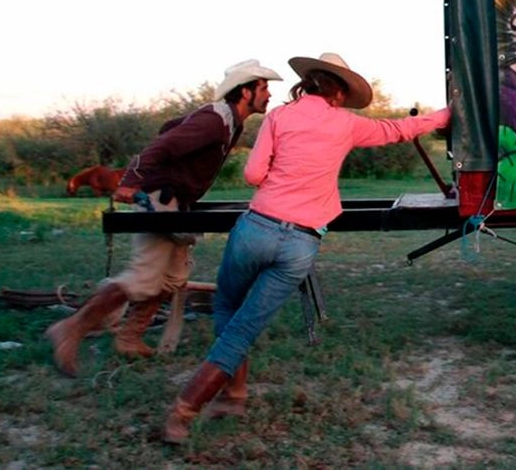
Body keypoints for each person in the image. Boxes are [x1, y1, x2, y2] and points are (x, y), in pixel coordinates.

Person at [161, 52, 450, 444]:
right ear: (339, 93)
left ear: (308, 82)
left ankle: (213, 402)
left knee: (228, 309)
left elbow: (252, 174)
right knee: (243, 329)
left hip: (256, 229)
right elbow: (398, 129)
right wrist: (449, 113)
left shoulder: (279, 117)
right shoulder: (346, 124)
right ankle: (207, 404)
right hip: (301, 243)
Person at [44, 59, 283, 377]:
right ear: (245, 91)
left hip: (177, 204)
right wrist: (131, 179)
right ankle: (71, 328)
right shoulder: (214, 120)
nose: (268, 95)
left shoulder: (228, 122)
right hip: (160, 200)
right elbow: (165, 143)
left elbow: (171, 126)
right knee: (144, 278)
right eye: (263, 88)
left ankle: (130, 336)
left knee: (172, 278)